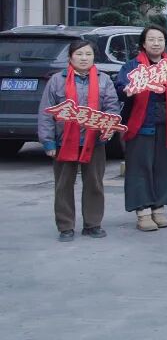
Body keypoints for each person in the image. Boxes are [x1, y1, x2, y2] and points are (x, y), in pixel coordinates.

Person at [37, 40, 120, 241]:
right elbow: (46, 113)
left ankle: (93, 224)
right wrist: (48, 142)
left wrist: (108, 128)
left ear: (94, 57)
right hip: (64, 142)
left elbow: (112, 108)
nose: (84, 58)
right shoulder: (57, 80)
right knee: (63, 185)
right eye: (79, 54)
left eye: (88, 54)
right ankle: (65, 226)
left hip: (94, 142)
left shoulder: (103, 80)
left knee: (94, 184)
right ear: (70, 57)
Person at [115, 25, 167, 232]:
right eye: (151, 39)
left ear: (165, 43)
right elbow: (120, 89)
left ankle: (159, 208)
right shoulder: (132, 66)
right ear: (143, 43)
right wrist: (128, 90)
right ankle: (143, 212)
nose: (156, 43)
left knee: (165, 168)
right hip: (140, 125)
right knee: (140, 168)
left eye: (160, 39)